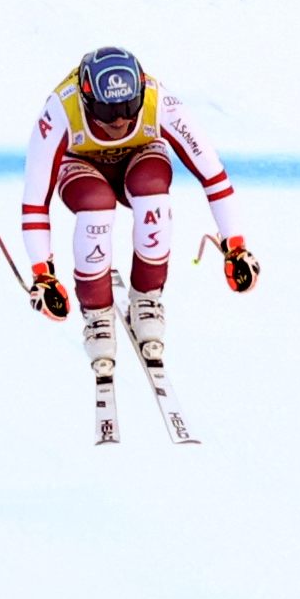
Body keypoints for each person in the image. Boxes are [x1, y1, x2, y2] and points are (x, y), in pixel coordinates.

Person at [20, 46, 259, 370]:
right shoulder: (61, 108)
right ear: (86, 99)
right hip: (80, 167)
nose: (119, 119)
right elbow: (35, 200)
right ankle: (97, 314)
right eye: (106, 111)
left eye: (129, 106)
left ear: (141, 90)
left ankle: (147, 297)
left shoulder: (159, 101)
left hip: (140, 159)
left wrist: (236, 246)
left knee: (153, 192)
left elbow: (212, 174)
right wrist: (42, 274)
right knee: (96, 206)